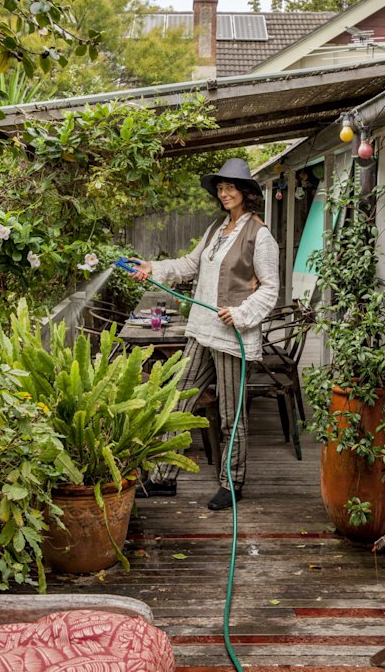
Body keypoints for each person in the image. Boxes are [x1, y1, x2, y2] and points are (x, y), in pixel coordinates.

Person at [130, 158, 279, 511]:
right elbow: (190, 265)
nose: (224, 192)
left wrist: (242, 314)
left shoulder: (261, 236)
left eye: (231, 187)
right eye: (221, 187)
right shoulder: (216, 230)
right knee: (177, 401)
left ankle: (232, 482)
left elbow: (271, 288)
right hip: (201, 331)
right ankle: (164, 476)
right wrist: (155, 267)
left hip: (231, 337)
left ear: (246, 192)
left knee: (230, 415)